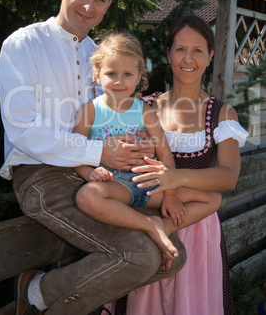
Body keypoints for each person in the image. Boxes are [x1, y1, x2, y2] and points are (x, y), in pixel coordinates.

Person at [0, 0, 187, 315]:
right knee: (140, 254)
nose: (89, 5)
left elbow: (114, 115)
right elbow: (23, 129)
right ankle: (39, 294)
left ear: (109, 4)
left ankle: (37, 291)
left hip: (104, 177)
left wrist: (140, 141)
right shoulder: (25, 44)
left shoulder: (99, 55)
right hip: (41, 174)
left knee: (174, 258)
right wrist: (96, 151)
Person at [105, 14, 248, 315]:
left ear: (210, 56)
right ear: (168, 54)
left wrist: (173, 177)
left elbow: (228, 177)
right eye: (180, 49)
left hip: (196, 228)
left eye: (198, 50)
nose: (188, 58)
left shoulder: (223, 114)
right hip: (145, 221)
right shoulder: (144, 106)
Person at [73, 32, 221, 266]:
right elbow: (75, 150)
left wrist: (170, 195)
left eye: (128, 75)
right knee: (87, 196)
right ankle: (150, 226)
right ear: (97, 75)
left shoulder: (145, 111)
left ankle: (165, 227)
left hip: (151, 184)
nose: (119, 81)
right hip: (117, 184)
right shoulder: (90, 111)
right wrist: (88, 173)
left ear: (139, 77)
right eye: (112, 74)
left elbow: (164, 153)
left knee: (212, 199)